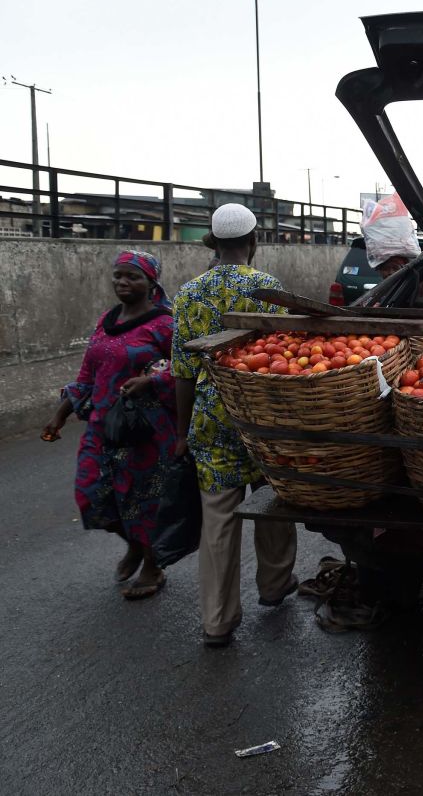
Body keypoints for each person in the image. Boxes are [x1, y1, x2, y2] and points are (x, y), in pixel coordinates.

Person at [172, 203, 299, 648]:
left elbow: (183, 372)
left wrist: (181, 431)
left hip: (210, 413)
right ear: (253, 242)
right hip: (258, 413)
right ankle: (275, 583)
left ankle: (217, 621)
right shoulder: (266, 287)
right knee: (271, 498)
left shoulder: (188, 294)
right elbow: (286, 359)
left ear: (213, 243)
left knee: (219, 518)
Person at [44, 251, 180, 599]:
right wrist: (60, 414)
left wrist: (152, 381)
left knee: (143, 501)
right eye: (118, 275)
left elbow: (183, 371)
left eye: (131, 277)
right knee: (91, 494)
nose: (122, 282)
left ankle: (153, 565)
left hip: (143, 430)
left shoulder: (164, 324)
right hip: (102, 426)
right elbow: (89, 373)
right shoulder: (107, 319)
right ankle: (133, 543)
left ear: (151, 283)